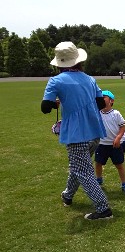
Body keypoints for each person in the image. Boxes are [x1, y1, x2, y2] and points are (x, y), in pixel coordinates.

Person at [41, 41, 112, 220]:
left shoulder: (55, 81)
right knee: (78, 166)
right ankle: (68, 195)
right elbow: (101, 102)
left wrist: (58, 101)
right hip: (95, 131)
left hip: (76, 134)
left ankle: (103, 209)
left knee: (83, 171)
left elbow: (45, 107)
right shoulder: (90, 79)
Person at [94, 90, 125, 194]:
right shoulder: (97, 112)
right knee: (98, 163)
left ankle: (124, 184)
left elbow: (122, 127)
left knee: (119, 165)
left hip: (114, 145)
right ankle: (99, 179)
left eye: (104, 97)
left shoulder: (116, 114)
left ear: (111, 100)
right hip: (101, 144)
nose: (101, 99)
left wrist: (118, 138)